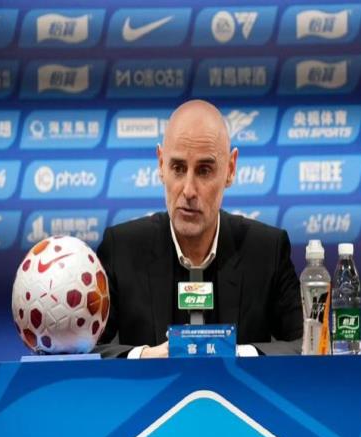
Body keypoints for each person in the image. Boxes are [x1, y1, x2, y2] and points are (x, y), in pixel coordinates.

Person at [95, 100, 303, 358]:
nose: (189, 190)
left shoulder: (267, 250)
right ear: (160, 164)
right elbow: (85, 350)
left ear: (230, 169)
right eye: (178, 168)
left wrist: (236, 355)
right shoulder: (121, 249)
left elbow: (309, 344)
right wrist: (145, 357)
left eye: (204, 171)